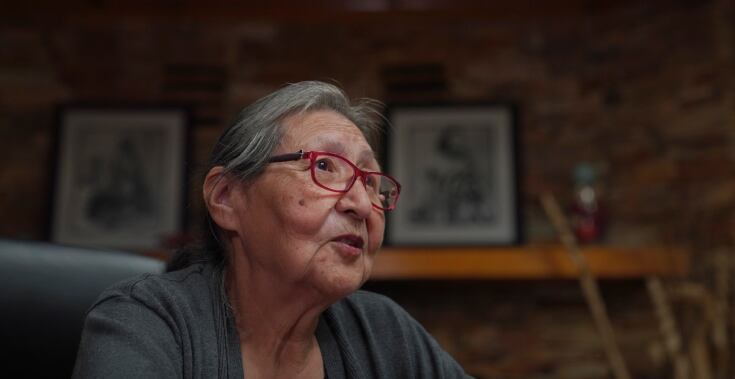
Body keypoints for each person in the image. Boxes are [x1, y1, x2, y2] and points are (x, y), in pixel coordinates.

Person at [72, 80, 472, 378]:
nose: (362, 204)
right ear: (227, 198)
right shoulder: (147, 321)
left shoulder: (384, 333)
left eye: (371, 182)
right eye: (324, 167)